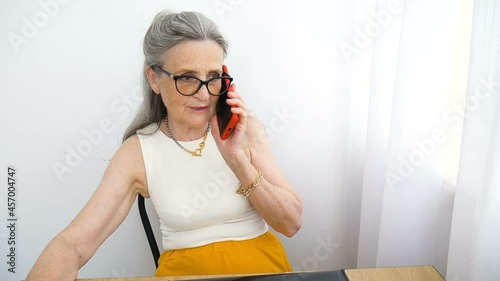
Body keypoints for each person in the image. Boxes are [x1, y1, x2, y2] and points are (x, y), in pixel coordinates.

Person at [26, 10, 302, 280]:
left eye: (214, 76)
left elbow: (290, 224)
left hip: (263, 271)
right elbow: (73, 245)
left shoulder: (245, 130)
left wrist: (238, 159)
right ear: (154, 79)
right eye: (187, 77)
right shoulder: (138, 152)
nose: (205, 94)